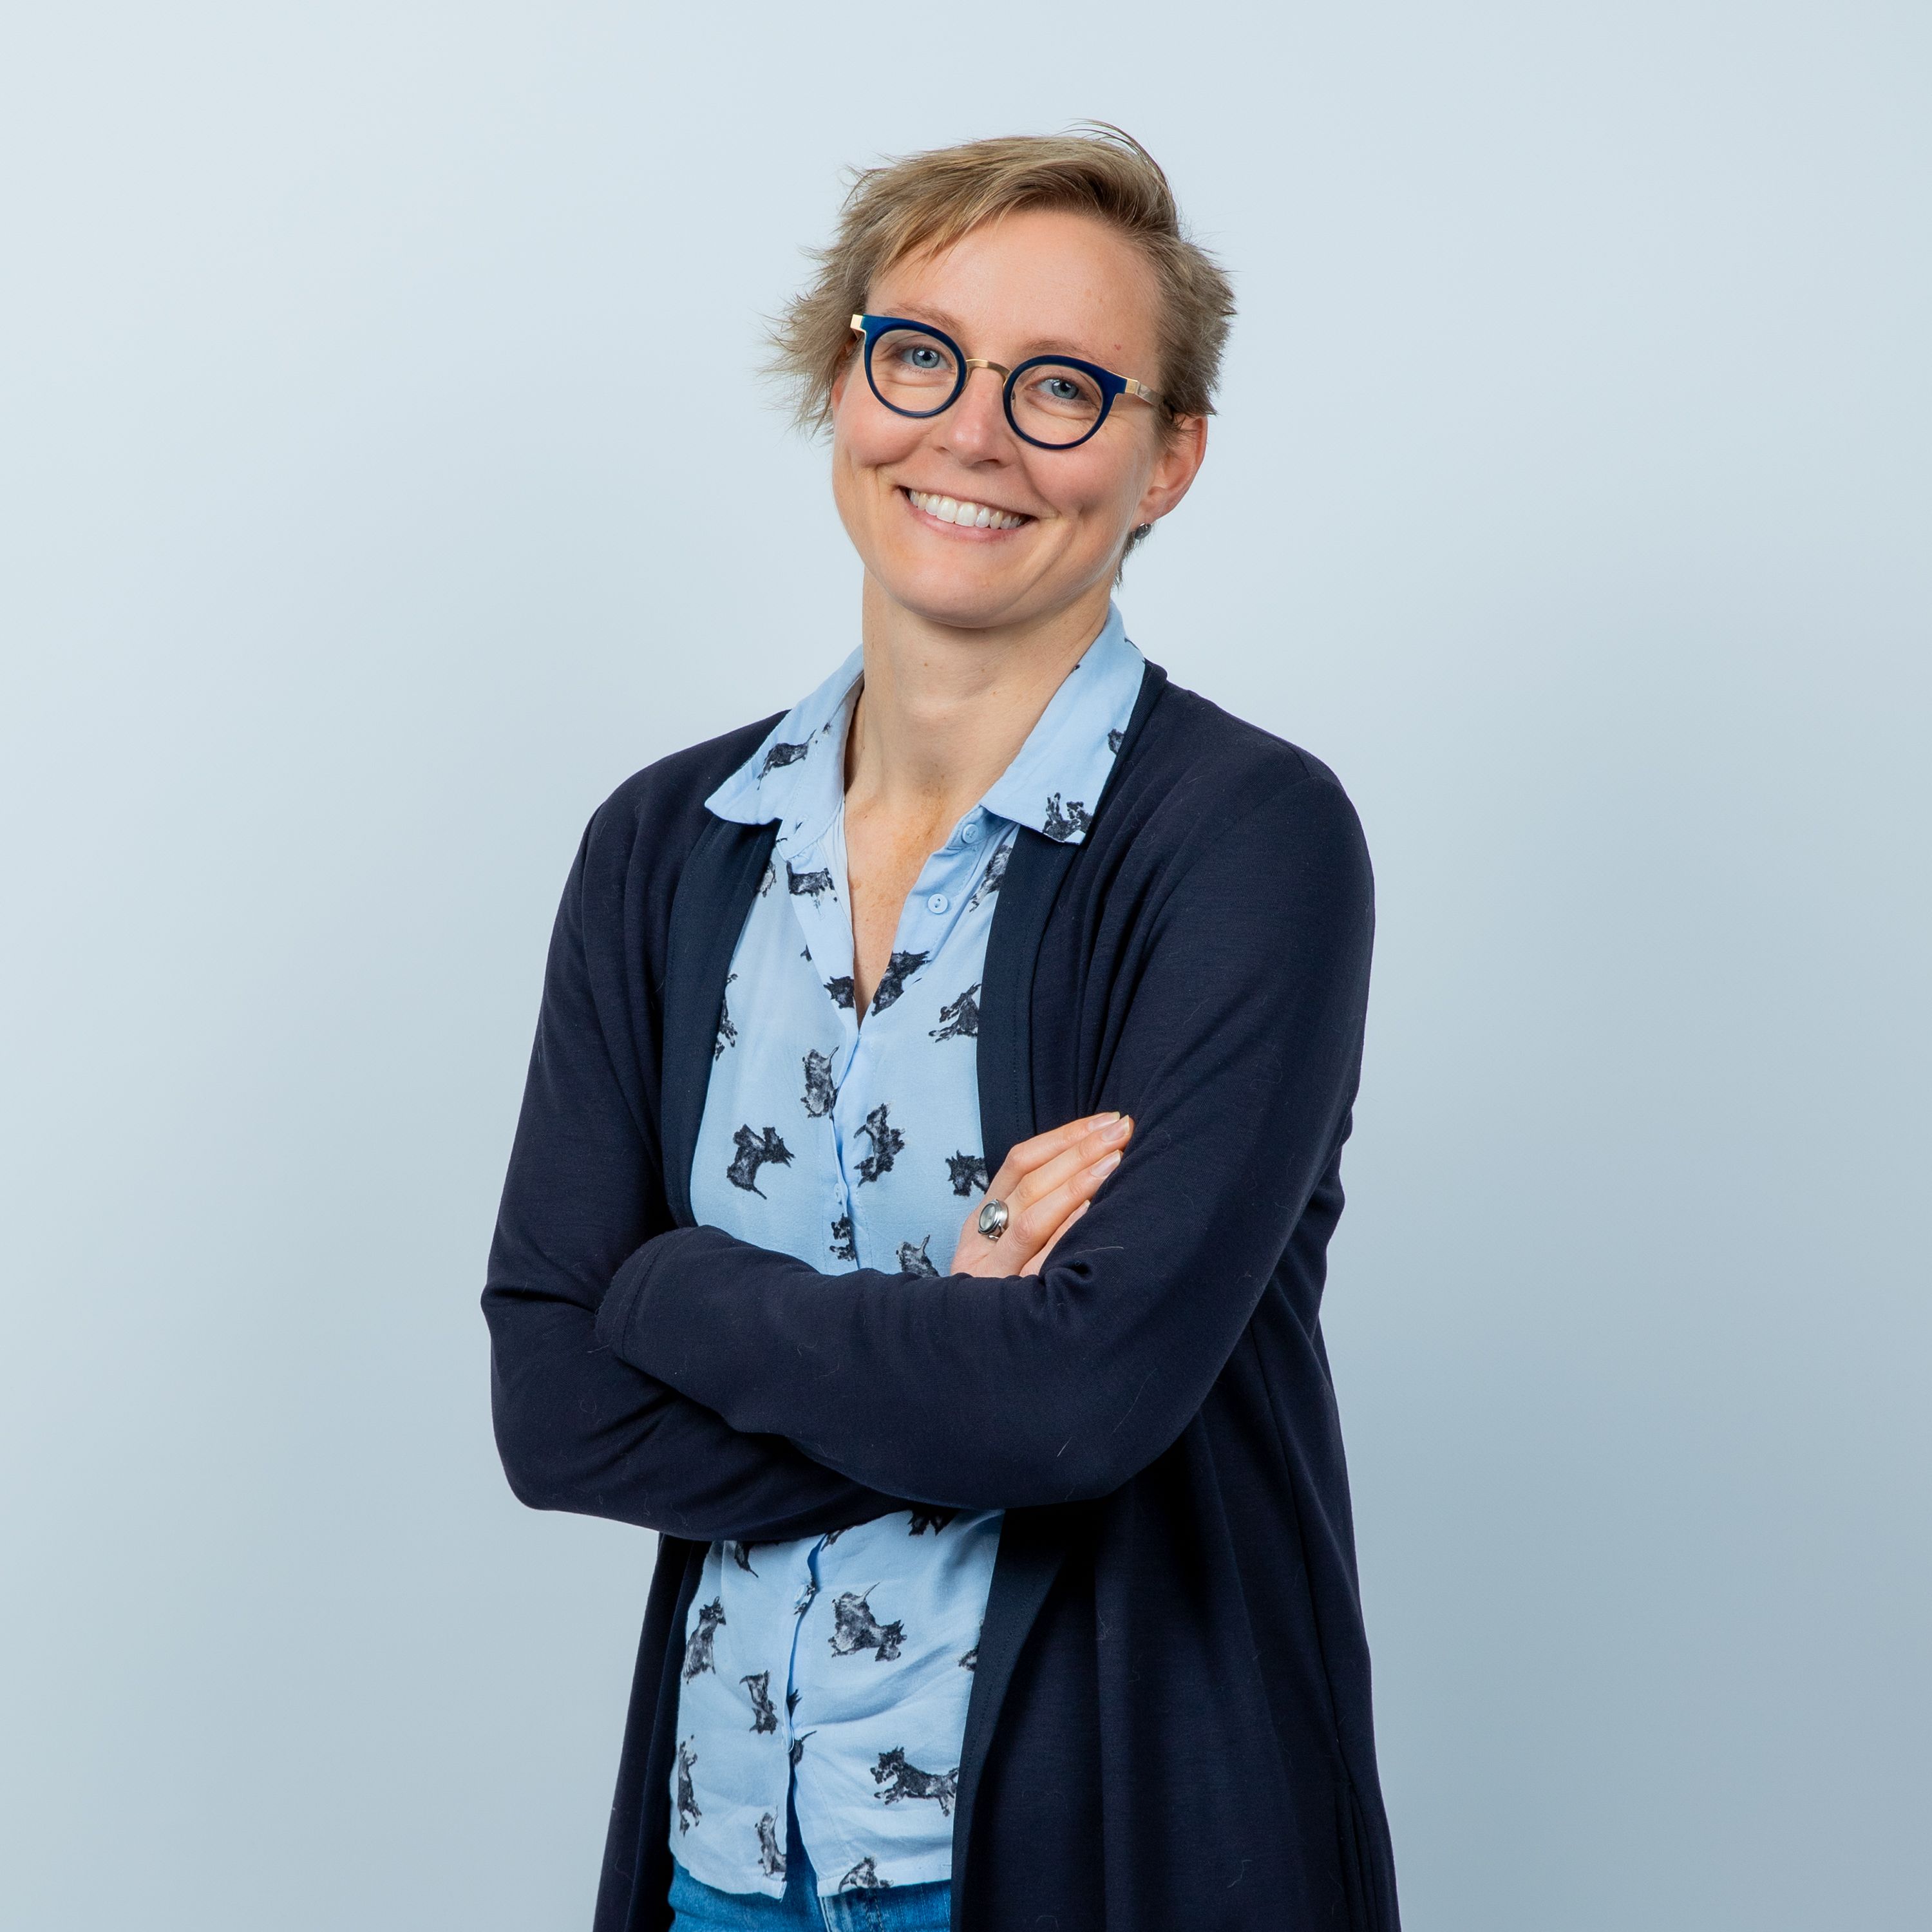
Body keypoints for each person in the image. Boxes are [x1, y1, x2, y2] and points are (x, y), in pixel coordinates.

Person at [484, 126, 1399, 1932]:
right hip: (724, 1858)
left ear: (1167, 458)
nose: (973, 434)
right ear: (845, 384)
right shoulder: (666, 844)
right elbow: (556, 1409)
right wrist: (961, 1345)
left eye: (1062, 387)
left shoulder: (1249, 842)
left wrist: (669, 1291)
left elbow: (1075, 1409)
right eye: (923, 356)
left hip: (1112, 1854)